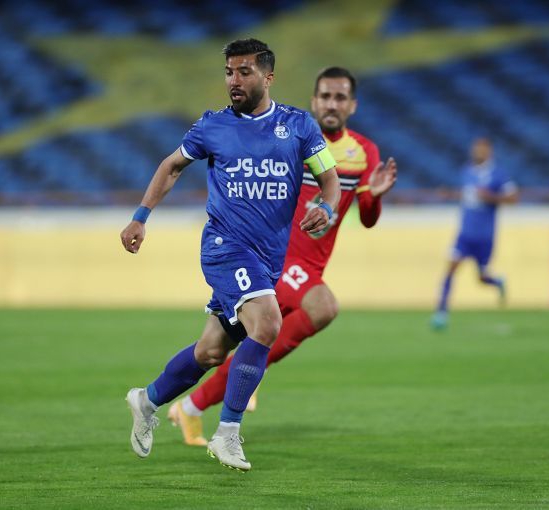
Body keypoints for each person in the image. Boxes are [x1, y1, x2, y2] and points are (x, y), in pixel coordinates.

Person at [120, 39, 341, 472]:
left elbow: (329, 180)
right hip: (224, 248)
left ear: (268, 76)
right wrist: (140, 217)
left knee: (210, 351)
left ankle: (146, 400)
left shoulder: (298, 125)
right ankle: (227, 433)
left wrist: (328, 209)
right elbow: (171, 166)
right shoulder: (212, 126)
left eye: (243, 72)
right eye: (228, 72)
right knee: (268, 321)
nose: (233, 80)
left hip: (267, 259)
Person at [167, 67, 398, 446]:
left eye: (340, 98)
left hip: (312, 264)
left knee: (247, 343)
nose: (332, 104)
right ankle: (236, 381)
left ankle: (193, 405)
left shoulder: (363, 153)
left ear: (352, 105)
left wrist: (373, 195)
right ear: (314, 101)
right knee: (322, 307)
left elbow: (368, 220)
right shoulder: (292, 138)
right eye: (325, 96)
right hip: (276, 257)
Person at [431, 137, 518, 329]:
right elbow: (467, 195)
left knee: (482, 278)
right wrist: (450, 195)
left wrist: (491, 197)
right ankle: (441, 313)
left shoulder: (498, 174)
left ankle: (497, 282)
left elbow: (513, 198)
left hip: (484, 236)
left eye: (481, 148)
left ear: (489, 151)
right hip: (465, 234)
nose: (477, 151)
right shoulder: (467, 171)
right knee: (450, 269)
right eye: (475, 148)